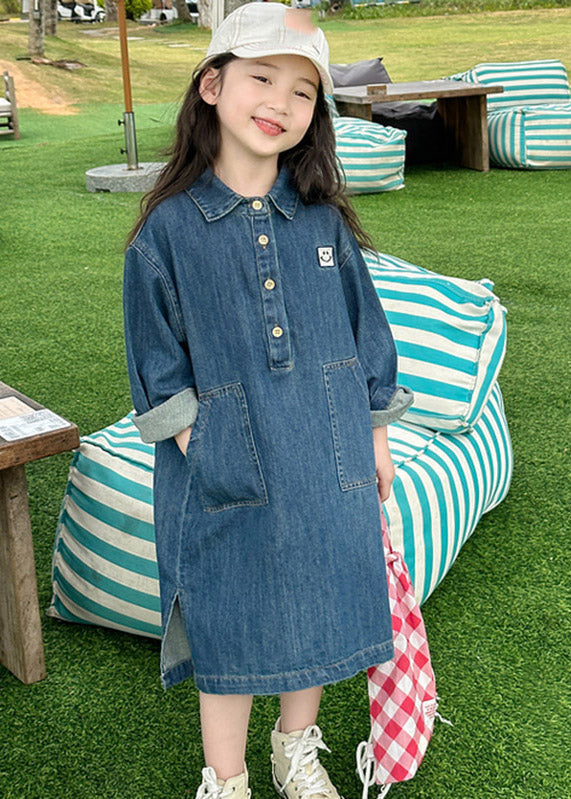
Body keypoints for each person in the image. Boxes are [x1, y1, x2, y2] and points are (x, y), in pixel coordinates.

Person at [122, 4, 414, 798]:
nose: (280, 103)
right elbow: (156, 364)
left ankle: (295, 752)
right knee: (230, 614)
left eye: (303, 91)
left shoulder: (323, 222)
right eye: (261, 78)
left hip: (328, 455)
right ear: (211, 86)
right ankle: (226, 778)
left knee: (314, 601)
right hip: (224, 470)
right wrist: (209, 450)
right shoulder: (167, 233)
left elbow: (364, 331)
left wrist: (376, 436)